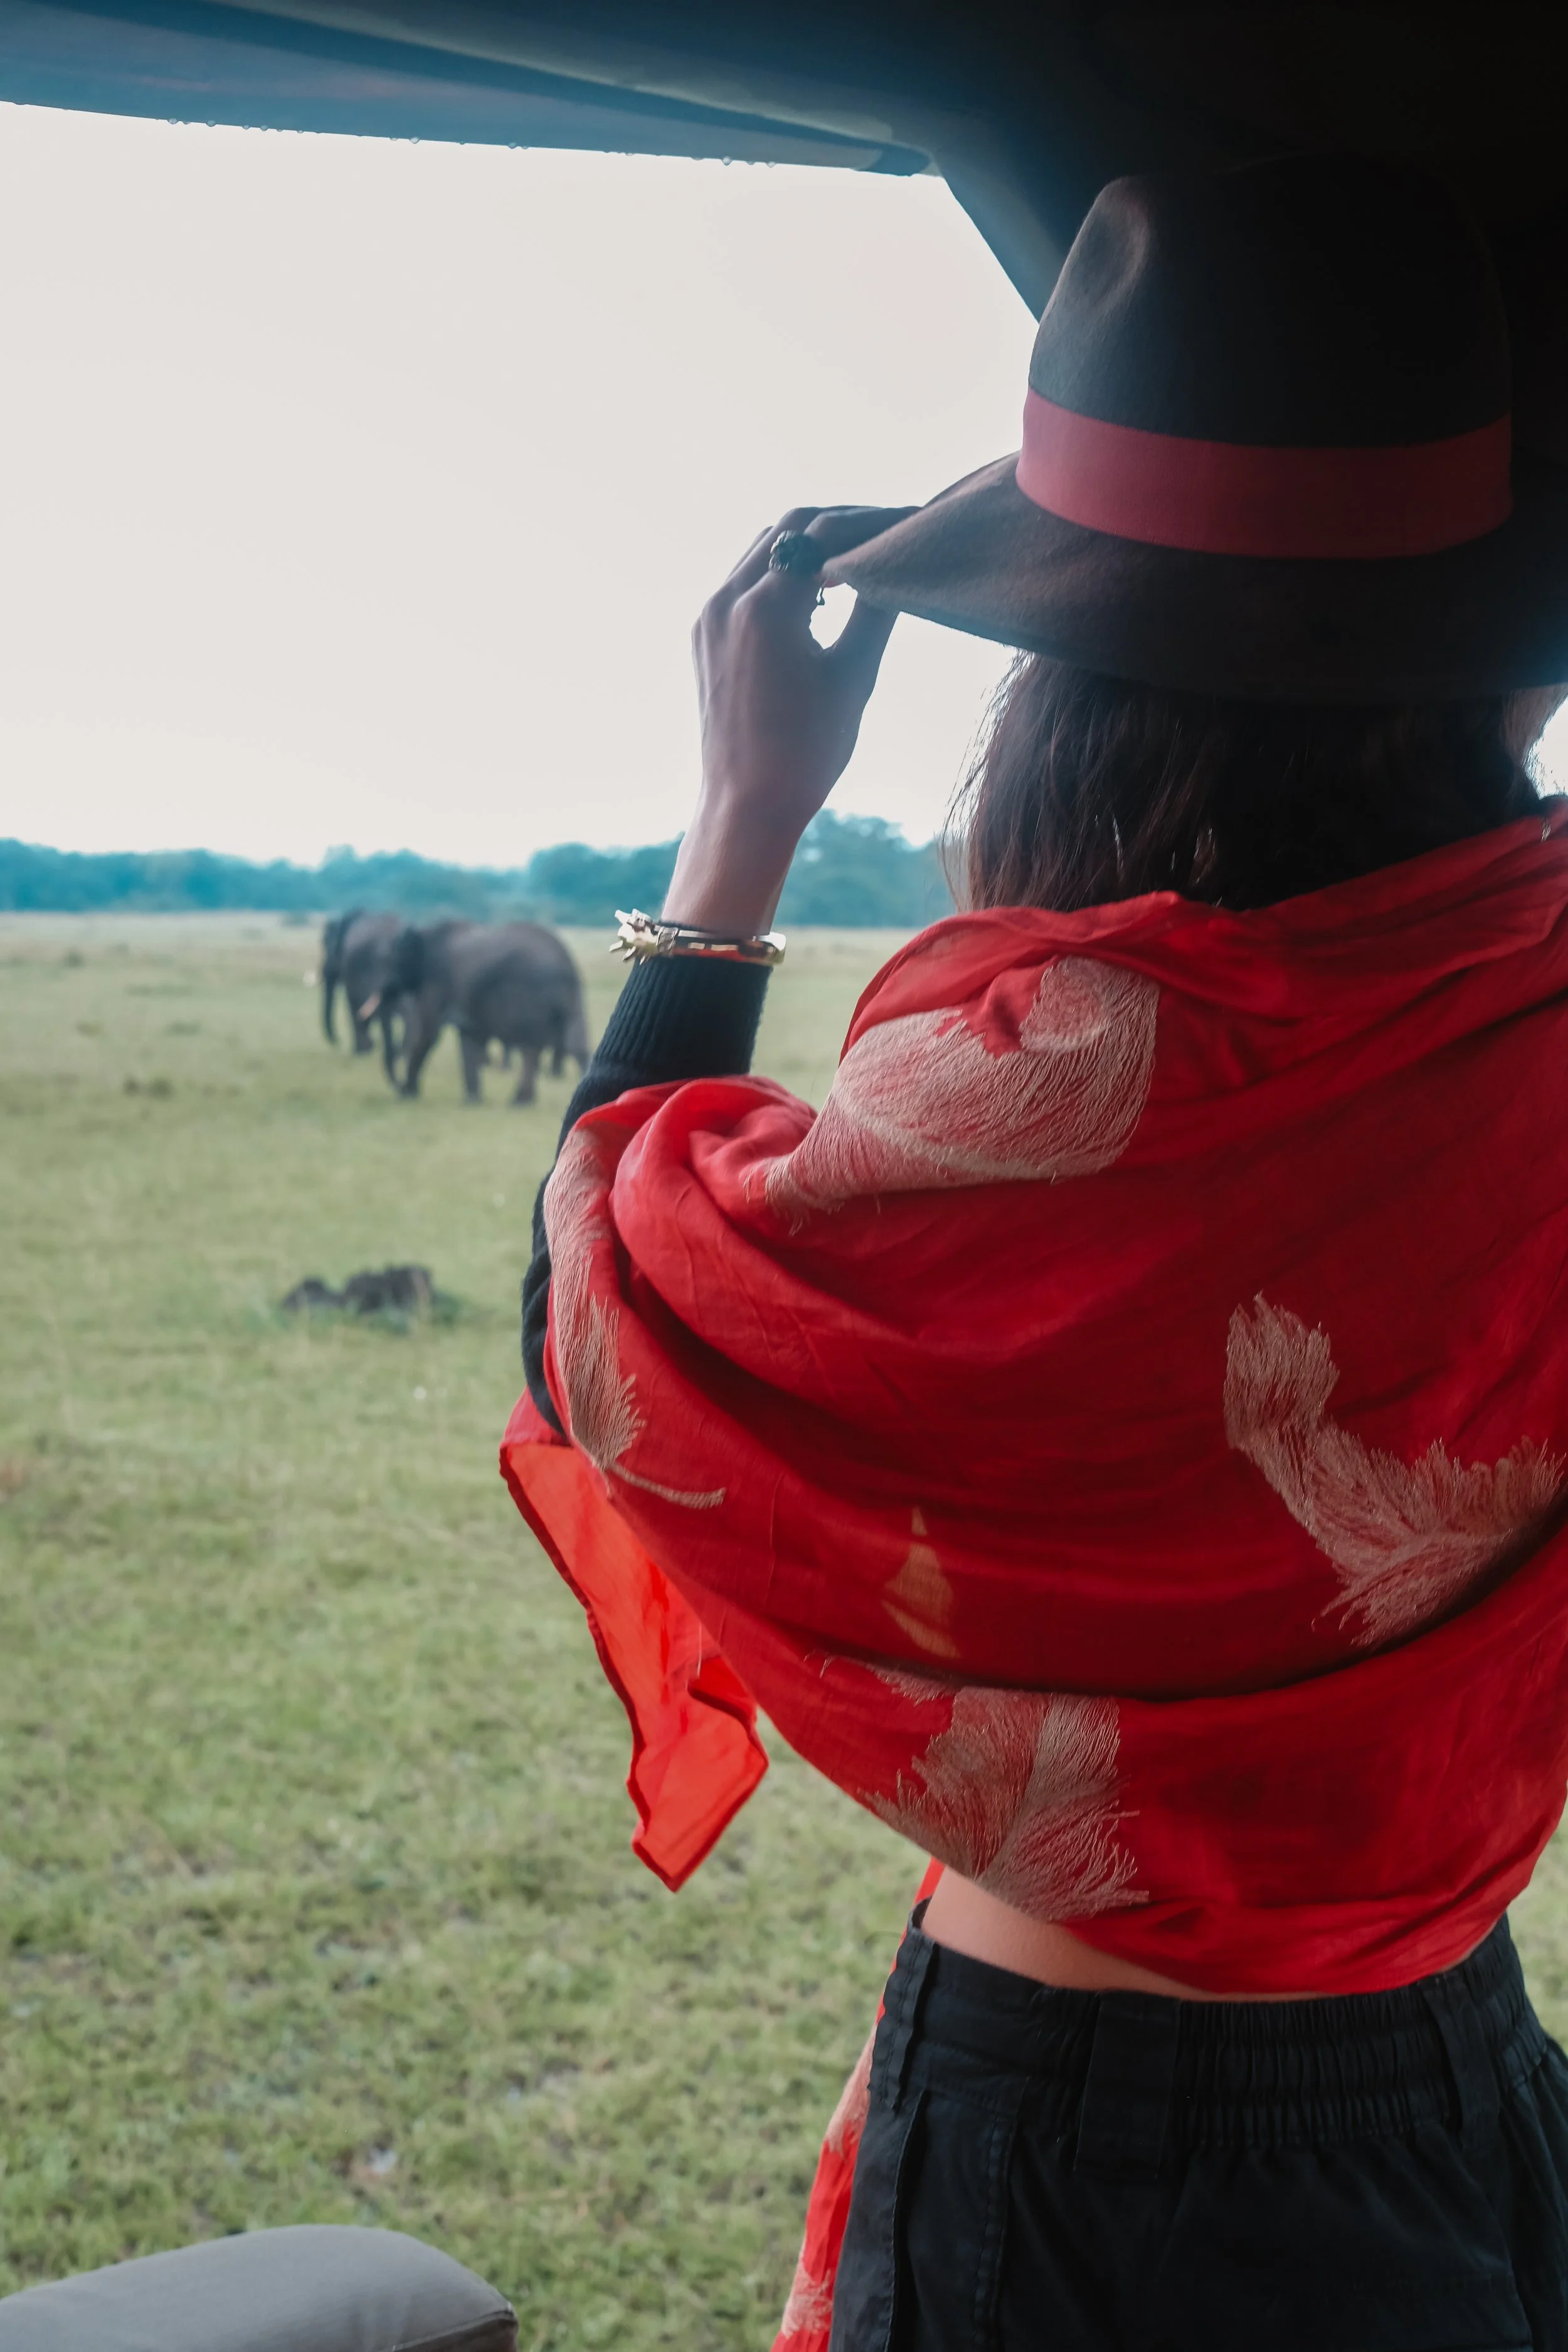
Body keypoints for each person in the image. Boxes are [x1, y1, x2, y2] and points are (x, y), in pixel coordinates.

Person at [504, 154, 1568, 2349]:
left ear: (1061, 690)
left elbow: (599, 1318)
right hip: (1465, 2057)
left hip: (1088, 2132)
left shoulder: (1044, 1087)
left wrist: (740, 831)